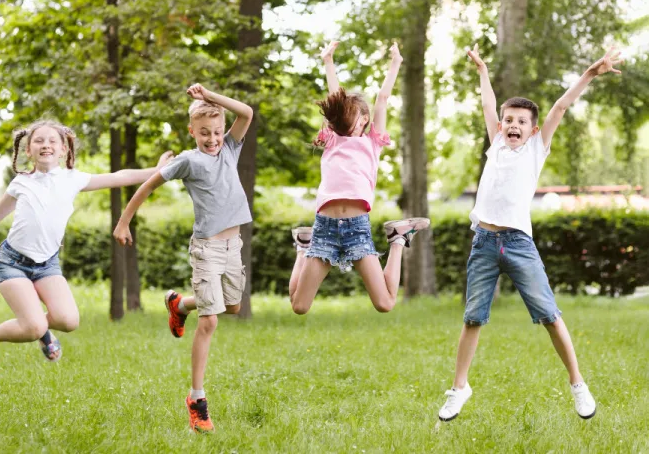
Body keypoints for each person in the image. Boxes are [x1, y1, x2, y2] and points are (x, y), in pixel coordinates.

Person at [437, 44, 623, 422]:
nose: (513, 126)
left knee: (550, 315)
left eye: (521, 121)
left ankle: (577, 384)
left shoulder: (536, 149)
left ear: (534, 129)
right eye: (509, 120)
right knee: (473, 317)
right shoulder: (496, 146)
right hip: (485, 243)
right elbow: (488, 105)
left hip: (519, 244)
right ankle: (459, 387)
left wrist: (589, 73)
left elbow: (560, 107)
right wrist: (483, 72)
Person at [0, 118, 173, 378]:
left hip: (47, 265)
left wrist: (155, 171)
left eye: (53, 140)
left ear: (64, 149)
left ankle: (42, 328)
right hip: (12, 263)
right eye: (38, 141)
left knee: (68, 321)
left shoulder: (72, 179)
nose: (46, 145)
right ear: (28, 150)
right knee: (31, 327)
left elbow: (119, 177)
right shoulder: (21, 182)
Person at [113, 84, 253, 433]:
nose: (212, 138)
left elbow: (247, 112)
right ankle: (197, 400)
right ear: (192, 132)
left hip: (233, 247)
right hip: (206, 248)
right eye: (204, 133)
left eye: (217, 131)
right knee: (211, 321)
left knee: (232, 308)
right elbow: (147, 186)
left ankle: (179, 305)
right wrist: (124, 220)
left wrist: (211, 96)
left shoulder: (230, 150)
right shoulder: (187, 161)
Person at [288, 40, 430, 315]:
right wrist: (328, 62)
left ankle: (398, 239)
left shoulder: (372, 142)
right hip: (324, 228)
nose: (348, 118)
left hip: (357, 229)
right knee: (299, 305)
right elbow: (335, 94)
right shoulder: (332, 140)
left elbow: (383, 99)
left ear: (365, 118)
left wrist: (395, 64)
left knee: (385, 304)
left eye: (354, 114)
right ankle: (302, 248)